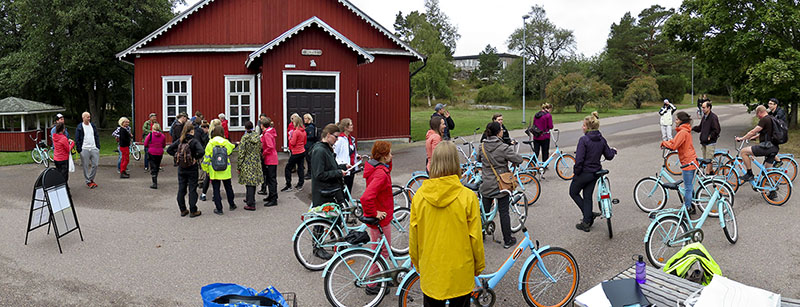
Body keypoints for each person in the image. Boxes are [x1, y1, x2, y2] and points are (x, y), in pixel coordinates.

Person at [409, 141, 484, 306]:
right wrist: (478, 266)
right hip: (460, 270)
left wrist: (417, 264)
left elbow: (414, 237)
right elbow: (476, 238)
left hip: (431, 269)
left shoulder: (419, 197)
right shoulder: (468, 197)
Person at [477, 121, 524, 247]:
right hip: (500, 185)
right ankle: (507, 240)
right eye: (502, 129)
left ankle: (481, 234)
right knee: (504, 212)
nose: (503, 131)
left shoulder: (482, 146)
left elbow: (478, 159)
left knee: (484, 211)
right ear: (498, 132)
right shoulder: (503, 147)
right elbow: (518, 159)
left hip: (486, 183)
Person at [571, 112, 617, 231]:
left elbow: (579, 160)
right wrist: (613, 151)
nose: (582, 127)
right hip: (595, 173)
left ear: (589, 127)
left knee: (573, 192)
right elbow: (609, 155)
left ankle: (588, 216)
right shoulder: (601, 139)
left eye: (584, 125)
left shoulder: (584, 140)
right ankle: (587, 221)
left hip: (584, 172)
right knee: (587, 196)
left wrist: (576, 172)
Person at [360, 141, 394, 295]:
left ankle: (377, 279)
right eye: (390, 153)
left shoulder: (377, 168)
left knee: (379, 250)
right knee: (382, 252)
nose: (392, 155)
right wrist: (374, 213)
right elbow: (366, 197)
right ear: (384, 156)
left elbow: (388, 169)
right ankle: (373, 283)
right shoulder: (380, 173)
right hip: (381, 219)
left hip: (381, 217)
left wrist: (387, 160)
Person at [310, 124, 348, 260]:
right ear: (328, 135)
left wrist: (342, 167)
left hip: (330, 190)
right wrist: (338, 172)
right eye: (336, 137)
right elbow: (319, 174)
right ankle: (317, 247)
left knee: (335, 219)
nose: (337, 140)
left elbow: (330, 166)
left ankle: (337, 243)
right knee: (322, 221)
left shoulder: (326, 149)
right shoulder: (319, 151)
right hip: (322, 191)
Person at [661, 112, 698, 215]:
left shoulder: (682, 132)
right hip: (691, 160)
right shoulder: (685, 130)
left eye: (676, 119)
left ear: (681, 121)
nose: (675, 121)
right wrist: (668, 143)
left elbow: (674, 146)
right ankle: (691, 205)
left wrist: (664, 143)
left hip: (687, 162)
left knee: (688, 188)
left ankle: (687, 209)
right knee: (689, 186)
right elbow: (675, 142)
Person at [166, 123, 204, 218]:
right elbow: (202, 151)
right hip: (192, 168)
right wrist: (195, 157)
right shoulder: (194, 141)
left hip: (181, 168)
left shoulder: (180, 140)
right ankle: (193, 210)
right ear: (192, 131)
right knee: (192, 189)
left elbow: (169, 149)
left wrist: (177, 156)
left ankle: (183, 209)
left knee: (181, 189)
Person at [737, 105, 780, 186]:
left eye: (757, 114)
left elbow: (753, 131)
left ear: (760, 112)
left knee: (743, 152)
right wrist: (754, 137)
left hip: (767, 147)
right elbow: (766, 133)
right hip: (774, 147)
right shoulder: (771, 118)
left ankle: (749, 174)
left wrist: (742, 138)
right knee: (768, 171)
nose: (757, 117)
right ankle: (773, 191)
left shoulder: (764, 119)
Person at [203, 125, 237, 215]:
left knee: (216, 189)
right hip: (225, 169)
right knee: (228, 187)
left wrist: (206, 169)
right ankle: (232, 204)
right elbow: (230, 150)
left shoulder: (210, 143)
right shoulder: (226, 142)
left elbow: (206, 158)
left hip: (214, 170)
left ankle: (219, 208)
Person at [237, 121, 264, 211]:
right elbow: (260, 147)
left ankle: (250, 203)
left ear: (245, 128)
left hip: (247, 162)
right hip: (255, 161)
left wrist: (239, 166)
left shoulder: (245, 138)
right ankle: (250, 198)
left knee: (248, 183)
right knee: (253, 181)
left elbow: (241, 153)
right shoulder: (256, 136)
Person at [692, 101, 721, 175]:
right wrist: (692, 128)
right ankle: (711, 172)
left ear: (709, 108)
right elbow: (700, 128)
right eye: (702, 108)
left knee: (709, 159)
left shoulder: (713, 117)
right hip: (704, 141)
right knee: (706, 159)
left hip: (710, 142)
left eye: (704, 108)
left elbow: (717, 129)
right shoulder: (704, 117)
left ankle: (707, 174)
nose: (703, 109)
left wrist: (710, 136)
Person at [75, 112, 100, 189]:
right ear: (83, 118)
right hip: (84, 148)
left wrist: (97, 146)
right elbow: (77, 138)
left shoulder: (92, 125)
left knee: (95, 165)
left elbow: (96, 135)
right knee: (85, 166)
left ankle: (91, 179)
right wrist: (79, 149)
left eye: (89, 117)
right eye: (87, 117)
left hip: (93, 148)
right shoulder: (80, 127)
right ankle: (88, 181)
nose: (89, 118)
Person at [283, 115, 307, 191]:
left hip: (296, 152)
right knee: (300, 168)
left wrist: (290, 138)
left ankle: (288, 185)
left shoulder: (296, 132)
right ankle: (300, 184)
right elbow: (305, 142)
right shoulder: (304, 131)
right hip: (302, 151)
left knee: (288, 168)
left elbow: (293, 143)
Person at [334, 118, 357, 192]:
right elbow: (334, 153)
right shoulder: (340, 139)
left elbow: (350, 152)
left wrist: (357, 156)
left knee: (349, 189)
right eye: (350, 125)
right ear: (345, 128)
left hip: (352, 167)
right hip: (344, 168)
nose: (352, 126)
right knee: (343, 190)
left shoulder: (351, 138)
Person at [260, 118, 279, 207]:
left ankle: (273, 198)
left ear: (262, 125)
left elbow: (270, 146)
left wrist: (264, 153)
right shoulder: (269, 133)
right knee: (270, 178)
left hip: (270, 158)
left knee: (271, 179)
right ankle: (272, 195)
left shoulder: (267, 134)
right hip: (272, 158)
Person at [144, 123, 167, 189]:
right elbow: (164, 145)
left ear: (153, 128)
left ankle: (154, 182)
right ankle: (155, 178)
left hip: (151, 152)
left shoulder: (150, 135)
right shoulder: (162, 136)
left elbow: (145, 143)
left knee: (153, 166)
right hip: (159, 152)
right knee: (157, 166)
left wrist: (150, 146)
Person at [52, 123, 74, 190]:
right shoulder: (63, 138)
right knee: (64, 176)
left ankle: (62, 187)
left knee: (59, 174)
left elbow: (60, 144)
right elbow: (68, 149)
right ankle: (63, 189)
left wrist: (67, 141)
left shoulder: (54, 136)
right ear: (63, 129)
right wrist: (72, 143)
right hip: (63, 159)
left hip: (56, 158)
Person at [198, 120, 211, 201]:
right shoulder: (204, 134)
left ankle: (201, 181)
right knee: (202, 168)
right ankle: (201, 181)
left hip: (203, 152)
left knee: (202, 168)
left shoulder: (204, 134)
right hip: (203, 152)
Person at [303, 113, 318, 180]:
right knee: (308, 160)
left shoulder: (311, 127)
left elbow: (312, 136)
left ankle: (310, 173)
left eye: (305, 118)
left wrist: (304, 137)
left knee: (309, 160)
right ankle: (309, 173)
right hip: (307, 144)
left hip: (309, 145)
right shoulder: (306, 126)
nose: (304, 120)